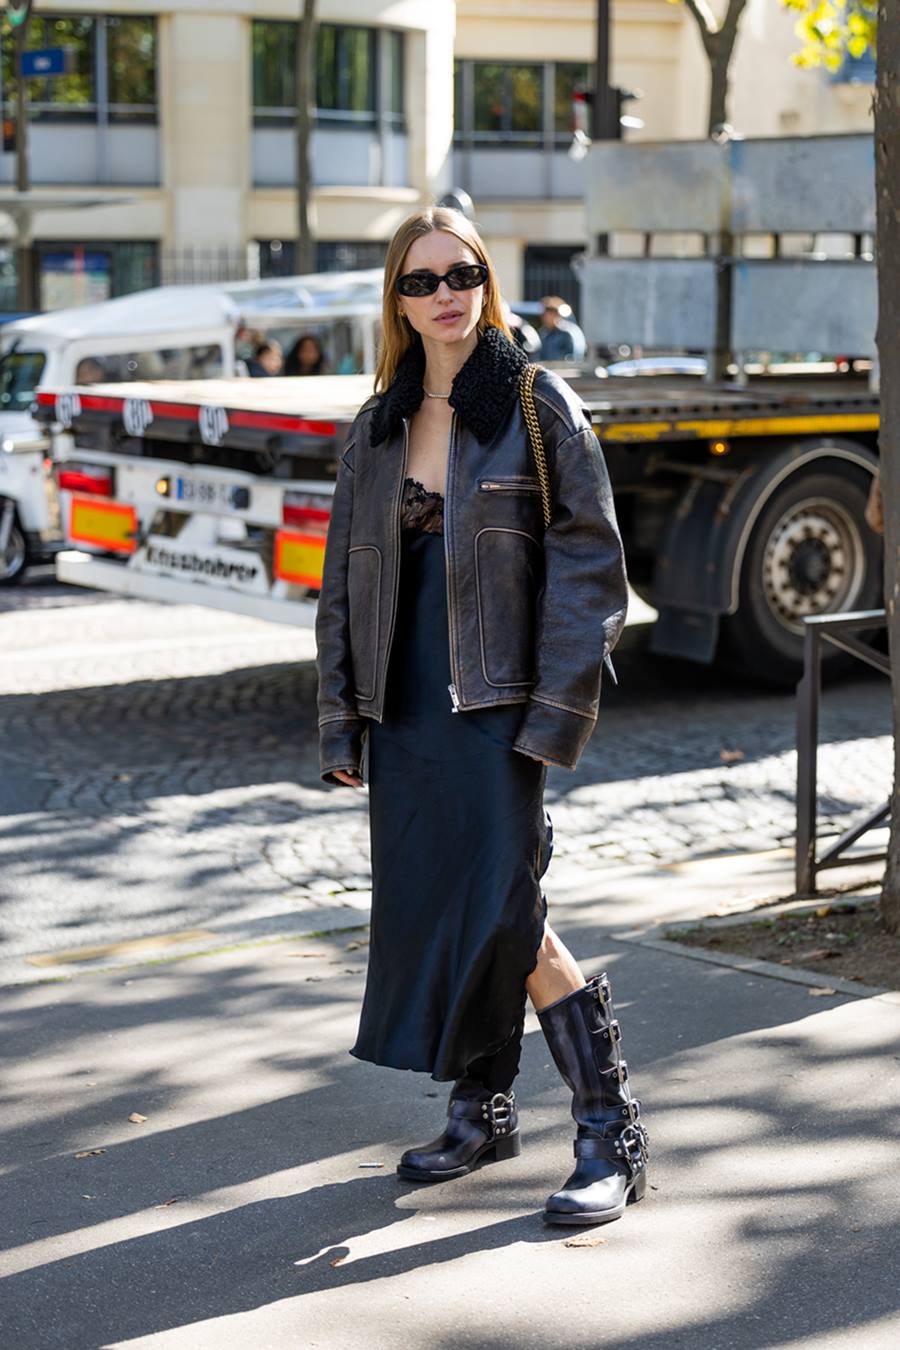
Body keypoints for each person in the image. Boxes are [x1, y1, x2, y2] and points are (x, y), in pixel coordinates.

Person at [315, 207, 646, 1227]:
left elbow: (592, 571)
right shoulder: (378, 426)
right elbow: (341, 583)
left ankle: (608, 1129)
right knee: (444, 912)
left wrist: (555, 713)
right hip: (407, 705)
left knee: (508, 908)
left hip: (497, 706)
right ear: (398, 301)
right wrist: (342, 722)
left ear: (486, 281)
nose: (444, 294)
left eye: (461, 273)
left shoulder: (538, 406)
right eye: (421, 281)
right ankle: (482, 1107)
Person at [538, 295, 587, 363]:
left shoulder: (568, 333)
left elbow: (573, 358)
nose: (543, 317)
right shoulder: (544, 334)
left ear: (555, 314)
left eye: (546, 314)